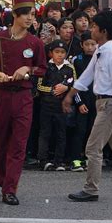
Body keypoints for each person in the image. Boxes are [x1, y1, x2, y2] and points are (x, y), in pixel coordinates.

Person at [0, 0, 47, 205]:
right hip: (0, 95)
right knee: (0, 142)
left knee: (19, 144)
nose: (29, 18)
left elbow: (42, 68)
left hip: (24, 97)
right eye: (26, 14)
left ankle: (10, 189)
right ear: (15, 15)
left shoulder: (35, 43)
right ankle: (4, 181)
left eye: (32, 15)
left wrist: (27, 68)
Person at [63, 11, 112, 202]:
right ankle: (91, 188)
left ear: (103, 31)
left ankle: (91, 189)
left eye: (94, 27)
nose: (91, 29)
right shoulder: (101, 51)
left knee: (92, 148)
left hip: (110, 104)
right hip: (104, 103)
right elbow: (87, 76)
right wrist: (70, 95)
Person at [36, 40, 76, 171]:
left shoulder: (69, 68)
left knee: (61, 133)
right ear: (51, 53)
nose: (60, 55)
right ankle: (43, 160)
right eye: (57, 52)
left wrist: (66, 87)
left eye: (62, 52)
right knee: (45, 132)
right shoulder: (46, 67)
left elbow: (75, 83)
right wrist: (53, 90)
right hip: (47, 104)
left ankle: (59, 161)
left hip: (62, 106)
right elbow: (39, 86)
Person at [69, 31, 97, 172]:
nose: (90, 47)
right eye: (87, 44)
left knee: (92, 132)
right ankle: (75, 159)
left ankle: (88, 159)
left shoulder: (100, 58)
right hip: (82, 101)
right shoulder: (76, 60)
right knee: (79, 131)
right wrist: (79, 103)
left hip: (96, 101)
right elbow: (75, 82)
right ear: (81, 45)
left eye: (93, 44)